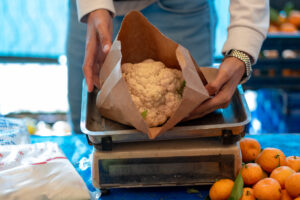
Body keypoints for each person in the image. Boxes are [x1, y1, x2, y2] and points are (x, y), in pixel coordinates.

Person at [67, 0, 269, 133]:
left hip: (181, 12)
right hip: (95, 11)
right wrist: (93, 5)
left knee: (193, 132)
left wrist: (243, 45)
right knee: (89, 126)